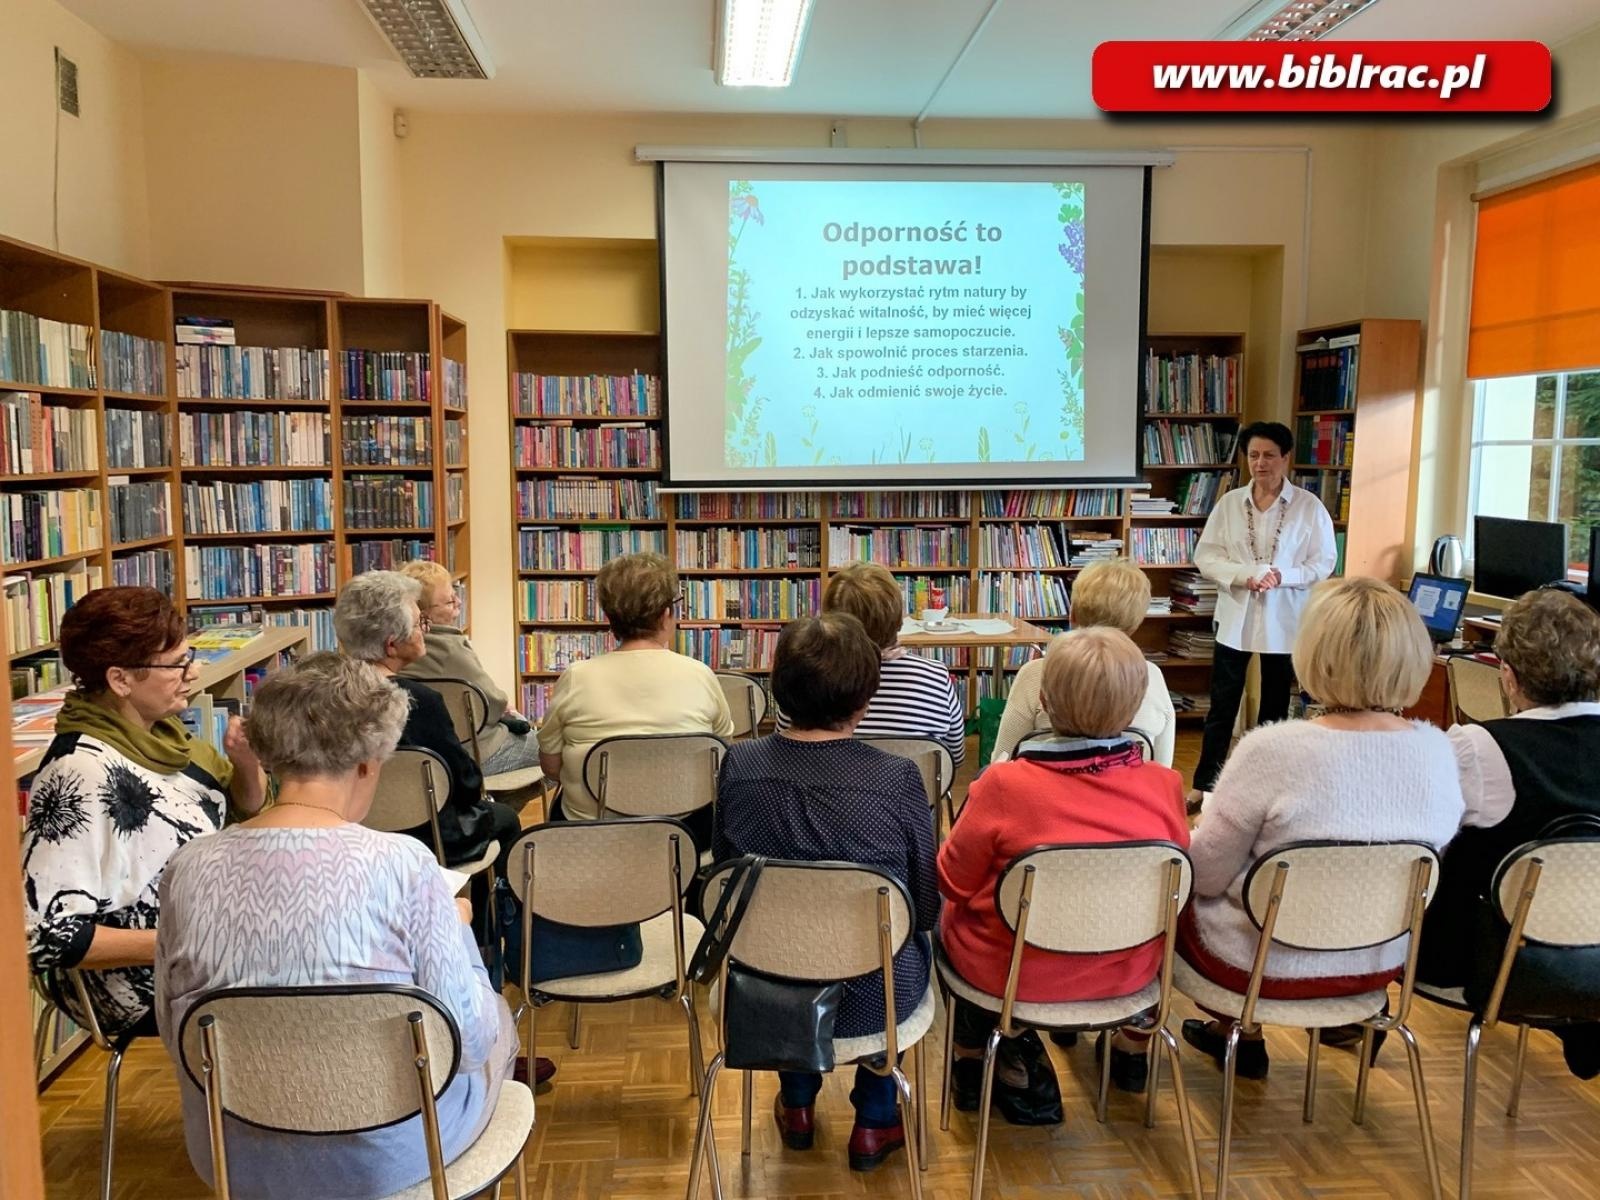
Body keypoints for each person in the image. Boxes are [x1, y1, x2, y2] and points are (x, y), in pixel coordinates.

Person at [154, 653, 518, 1199]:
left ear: (269, 754)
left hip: (235, 1150)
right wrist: (460, 932)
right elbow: (466, 1042)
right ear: (370, 763)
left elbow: (171, 1028)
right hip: (389, 1152)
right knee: (493, 1018)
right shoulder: (404, 864)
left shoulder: (188, 865)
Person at [1178, 577, 1467, 1079]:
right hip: (1374, 963)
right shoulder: (1439, 753)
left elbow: (1202, 875)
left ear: (1313, 653)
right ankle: (1302, 1027)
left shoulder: (1273, 749)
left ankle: (1222, 1031)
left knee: (1171, 883)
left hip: (1257, 968)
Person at [714, 612, 938, 1173]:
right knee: (902, 943)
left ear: (779, 688)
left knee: (786, 940)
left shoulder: (738, 766)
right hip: (873, 995)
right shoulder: (896, 779)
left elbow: (725, 878)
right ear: (867, 694)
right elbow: (924, 900)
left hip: (772, 988)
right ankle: (874, 1120)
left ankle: (797, 1106)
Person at [939, 627, 1189, 1113]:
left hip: (1012, 975)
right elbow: (1173, 889)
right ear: (1137, 702)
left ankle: (970, 1061)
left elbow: (953, 880)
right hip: (1126, 974)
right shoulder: (1166, 786)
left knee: (948, 920)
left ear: (1046, 701)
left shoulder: (1002, 784)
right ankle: (1131, 1053)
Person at [20, 587, 266, 1040]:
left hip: (198, 952)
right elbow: (43, 935)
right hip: (142, 984)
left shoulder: (166, 737)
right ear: (120, 680)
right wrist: (184, 941)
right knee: (320, 968)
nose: (191, 673)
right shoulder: (79, 773)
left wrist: (247, 763)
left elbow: (244, 815)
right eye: (176, 665)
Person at [1419, 588, 1600, 1079]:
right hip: (1592, 958)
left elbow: (1424, 843)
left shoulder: (1476, 748)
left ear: (1508, 675)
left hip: (1485, 963)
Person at [1190, 420, 1337, 810]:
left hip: (1284, 621)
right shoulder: (1229, 504)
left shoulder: (1309, 508)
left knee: (1274, 708)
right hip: (1236, 618)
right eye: (1253, 455)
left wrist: (1281, 576)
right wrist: (1243, 576)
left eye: (1269, 455)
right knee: (1222, 705)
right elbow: (1206, 556)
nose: (1260, 463)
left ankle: (1263, 788)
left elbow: (1322, 563)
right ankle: (1205, 784)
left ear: (1286, 458)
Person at [333, 570, 520, 872]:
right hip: (425, 837)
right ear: (392, 645)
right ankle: (489, 916)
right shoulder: (420, 702)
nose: (426, 630)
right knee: (505, 818)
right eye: (420, 623)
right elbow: (465, 783)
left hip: (353, 834)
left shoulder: (326, 696)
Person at [536, 552, 734, 836]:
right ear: (666, 613)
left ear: (609, 617)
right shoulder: (700, 674)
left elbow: (551, 766)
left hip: (593, 833)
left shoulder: (577, 677)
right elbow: (719, 757)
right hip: (682, 834)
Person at [776, 561, 965, 765]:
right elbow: (954, 757)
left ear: (830, 624)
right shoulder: (935, 678)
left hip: (820, 789)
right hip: (912, 793)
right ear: (898, 619)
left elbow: (786, 743)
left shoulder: (806, 676)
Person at [992, 558, 1176, 765]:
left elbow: (1003, 756)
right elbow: (1162, 763)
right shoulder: (1151, 676)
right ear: (1137, 623)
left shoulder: (1036, 674)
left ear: (1072, 614)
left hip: (1044, 793)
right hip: (1129, 794)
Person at [397, 559, 541, 776]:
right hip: (475, 750)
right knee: (557, 750)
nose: (459, 603)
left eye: (456, 594)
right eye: (449, 602)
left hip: (422, 755)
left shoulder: (396, 646)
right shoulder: (448, 648)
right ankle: (496, 804)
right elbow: (493, 703)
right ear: (422, 612)